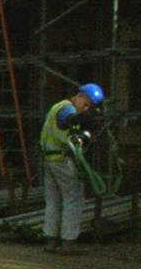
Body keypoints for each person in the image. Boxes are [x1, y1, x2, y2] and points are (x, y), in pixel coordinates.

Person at [39, 83, 104, 254]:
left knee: (53, 201)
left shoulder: (57, 106)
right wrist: (91, 117)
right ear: (80, 96)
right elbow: (69, 120)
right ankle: (68, 242)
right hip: (62, 159)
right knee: (73, 200)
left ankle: (51, 241)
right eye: (87, 104)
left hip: (49, 158)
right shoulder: (67, 108)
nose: (86, 108)